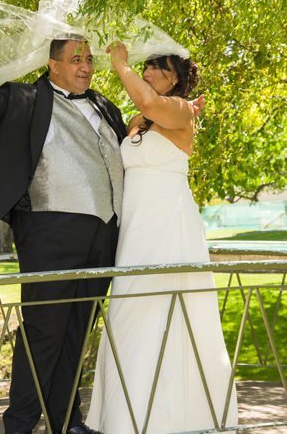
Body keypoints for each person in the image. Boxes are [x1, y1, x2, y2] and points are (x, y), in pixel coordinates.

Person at [0, 3, 126, 434]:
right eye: (76, 59)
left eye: (89, 59)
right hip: (51, 230)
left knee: (78, 330)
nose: (86, 66)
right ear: (53, 65)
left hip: (104, 233)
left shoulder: (107, 107)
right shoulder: (28, 99)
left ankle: (66, 420)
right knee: (43, 332)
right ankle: (19, 425)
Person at [86, 43, 238, 433]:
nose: (148, 71)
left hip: (168, 224)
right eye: (146, 66)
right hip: (135, 227)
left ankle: (177, 417)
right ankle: (125, 418)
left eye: (156, 67)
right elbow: (142, 113)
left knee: (166, 309)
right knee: (129, 309)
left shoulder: (181, 111)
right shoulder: (141, 118)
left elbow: (150, 103)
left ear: (175, 78)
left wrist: (120, 64)